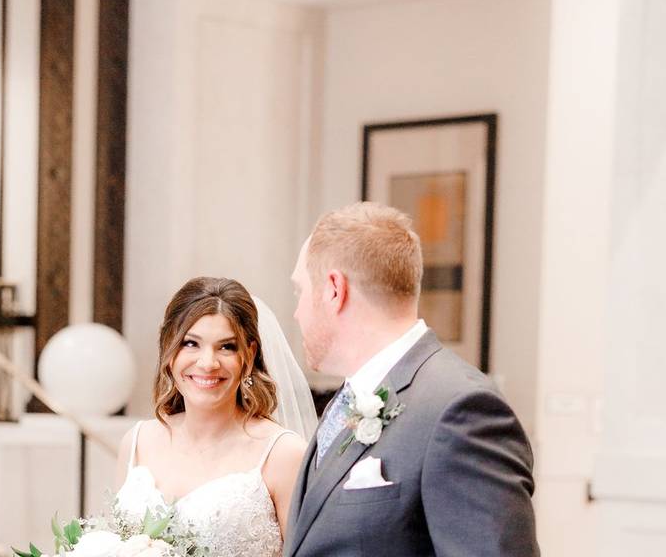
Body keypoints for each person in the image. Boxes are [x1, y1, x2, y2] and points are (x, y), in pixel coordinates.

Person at [285, 202, 538, 557]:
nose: (297, 312)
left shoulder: (461, 409)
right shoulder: (346, 401)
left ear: (333, 289)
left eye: (300, 291)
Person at [114, 277, 312, 556]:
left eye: (226, 347)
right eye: (191, 344)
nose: (208, 363)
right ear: (169, 350)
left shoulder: (284, 454)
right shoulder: (137, 442)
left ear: (249, 355)